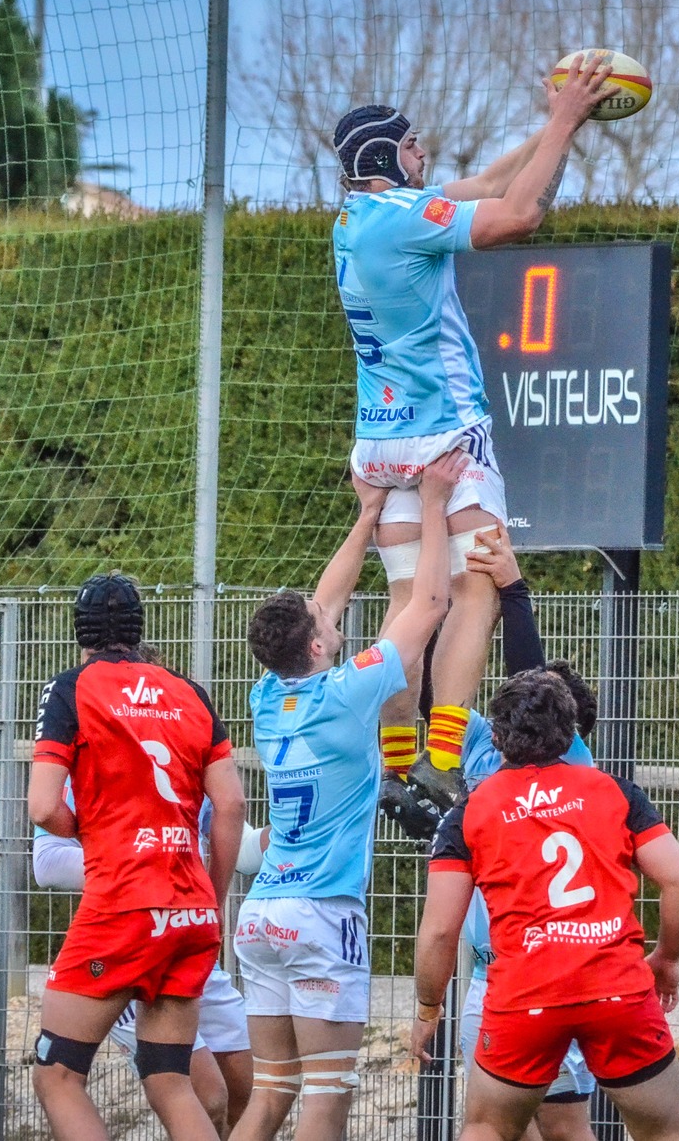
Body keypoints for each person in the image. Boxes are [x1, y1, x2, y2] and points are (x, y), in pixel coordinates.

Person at [330, 52, 619, 816]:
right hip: (446, 434)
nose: (423, 151)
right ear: (383, 158)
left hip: (380, 444)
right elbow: (517, 215)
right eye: (411, 144)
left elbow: (493, 182)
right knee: (477, 588)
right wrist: (564, 119)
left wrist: (559, 125)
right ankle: (442, 760)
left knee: (408, 601)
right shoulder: (404, 221)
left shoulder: (356, 220)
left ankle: (397, 766)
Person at [230, 454, 463, 1141]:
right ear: (315, 646)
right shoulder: (345, 692)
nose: (330, 615)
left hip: (262, 914)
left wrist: (367, 516)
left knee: (271, 1093)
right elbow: (430, 605)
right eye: (321, 621)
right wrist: (432, 501)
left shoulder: (268, 695)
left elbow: (322, 604)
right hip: (323, 915)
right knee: (326, 1097)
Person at [415, 671, 679, 1141]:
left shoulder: (470, 812)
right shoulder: (615, 792)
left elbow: (440, 931)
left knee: (487, 1128)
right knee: (665, 1131)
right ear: (571, 732)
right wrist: (667, 958)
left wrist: (429, 1008)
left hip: (524, 995)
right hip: (615, 990)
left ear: (497, 735)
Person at [28, 574, 246, 1141]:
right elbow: (232, 804)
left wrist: (97, 833)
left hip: (121, 906)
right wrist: (212, 898)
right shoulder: (190, 692)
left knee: (57, 1074)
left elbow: (42, 806)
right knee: (170, 1080)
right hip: (191, 910)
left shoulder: (71, 689)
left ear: (80, 633)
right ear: (139, 628)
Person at [450, 529, 600, 1141]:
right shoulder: (488, 746)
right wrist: (459, 600)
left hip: (531, 974)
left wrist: (509, 590)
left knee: (548, 1127)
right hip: (502, 977)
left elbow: (523, 674)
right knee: (514, 1127)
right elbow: (440, 690)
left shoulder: (566, 760)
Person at [33, 762, 263, 1137]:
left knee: (248, 1093)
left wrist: (300, 832)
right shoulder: (92, 749)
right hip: (124, 945)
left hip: (188, 937)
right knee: (205, 1097)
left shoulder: (188, 750)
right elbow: (47, 863)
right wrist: (152, 866)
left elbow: (245, 848)